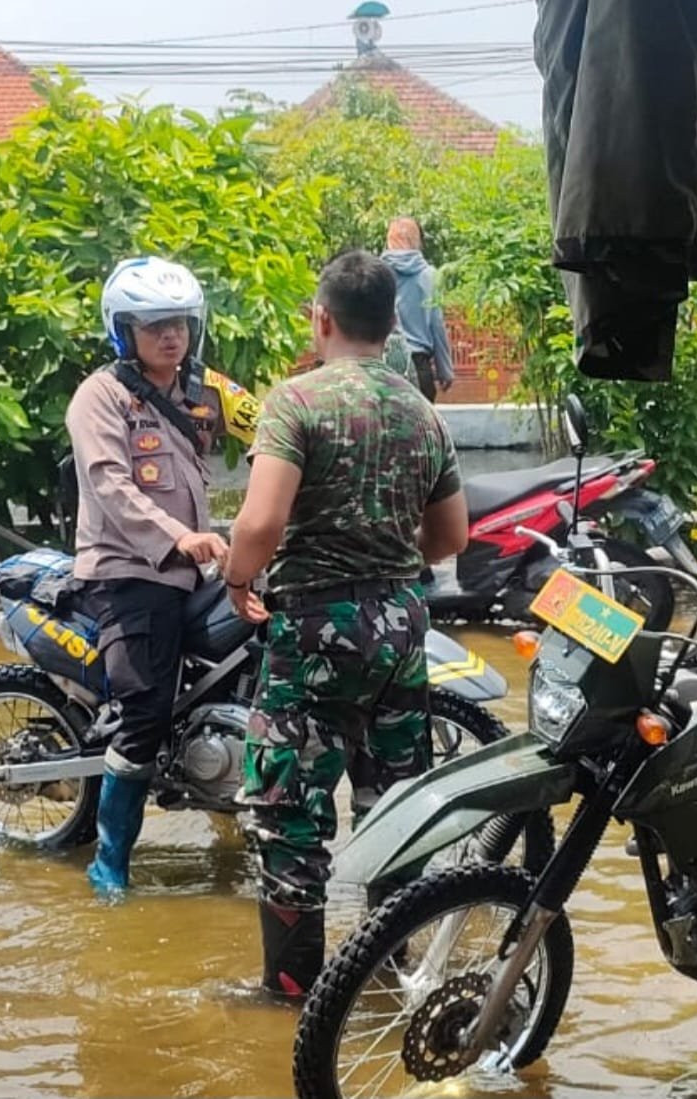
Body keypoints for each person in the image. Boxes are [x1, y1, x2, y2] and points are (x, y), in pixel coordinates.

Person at [223, 249, 469, 998]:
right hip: (401, 626)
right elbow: (451, 537)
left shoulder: (295, 403)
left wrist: (237, 578)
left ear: (321, 318)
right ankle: (390, 976)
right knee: (392, 802)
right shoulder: (423, 412)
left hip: (314, 631)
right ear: (393, 323)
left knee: (290, 812)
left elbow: (261, 522)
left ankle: (293, 993)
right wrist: (388, 557)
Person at [66, 256, 229, 897]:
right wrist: (179, 537)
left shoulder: (202, 390)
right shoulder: (100, 396)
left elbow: (272, 426)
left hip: (193, 569)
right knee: (146, 711)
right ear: (123, 330)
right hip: (128, 572)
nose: (171, 336)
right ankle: (109, 862)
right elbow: (110, 484)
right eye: (155, 325)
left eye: (180, 323)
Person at [381, 216, 455, 403]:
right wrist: (445, 369)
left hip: (384, 366)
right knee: (421, 422)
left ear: (389, 240)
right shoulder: (429, 276)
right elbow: (436, 324)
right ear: (418, 242)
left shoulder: (377, 273)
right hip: (419, 365)